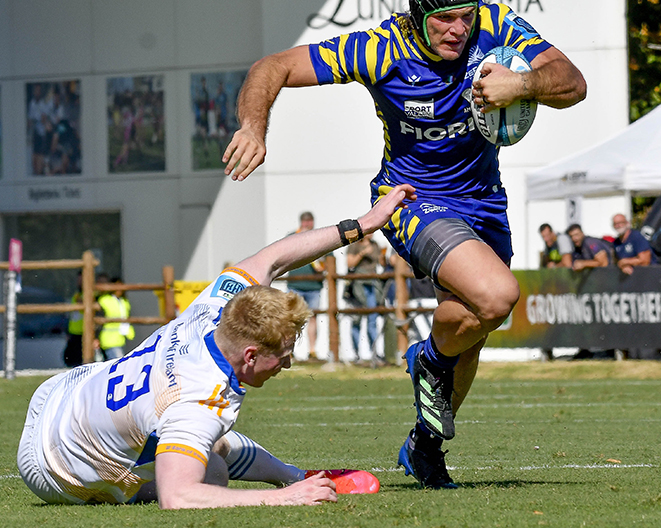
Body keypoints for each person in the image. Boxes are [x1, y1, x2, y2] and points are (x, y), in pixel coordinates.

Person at [224, 0, 586, 489]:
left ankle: (425, 443)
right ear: (417, 13)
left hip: (485, 201)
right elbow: (270, 68)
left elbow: (572, 82)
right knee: (496, 296)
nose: (458, 28)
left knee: (469, 328)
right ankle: (429, 361)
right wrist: (255, 128)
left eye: (466, 15)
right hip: (412, 200)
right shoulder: (380, 48)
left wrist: (521, 84)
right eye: (443, 17)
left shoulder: (496, 24)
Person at [16, 183, 414, 508]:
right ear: (251, 354)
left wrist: (362, 225)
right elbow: (179, 497)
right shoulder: (199, 399)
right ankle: (291, 482)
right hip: (52, 468)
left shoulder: (215, 310)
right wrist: (287, 500)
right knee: (211, 474)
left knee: (204, 444)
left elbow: (273, 258)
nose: (289, 364)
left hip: (60, 391)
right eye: (283, 355)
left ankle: (294, 472)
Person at [285, 211, 324, 361]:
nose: (307, 224)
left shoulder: (320, 237)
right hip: (295, 284)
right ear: (301, 222)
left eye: (310, 221)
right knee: (291, 318)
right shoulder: (292, 237)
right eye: (305, 221)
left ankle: (312, 351)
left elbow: (328, 259)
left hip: (314, 286)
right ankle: (289, 350)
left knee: (313, 318)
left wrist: (324, 267)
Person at [345, 234, 383, 363]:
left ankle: (374, 354)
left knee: (372, 320)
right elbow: (350, 263)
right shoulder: (354, 246)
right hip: (358, 284)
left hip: (372, 284)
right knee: (357, 320)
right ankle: (357, 354)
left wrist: (382, 256)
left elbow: (381, 263)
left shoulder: (375, 245)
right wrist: (362, 253)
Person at [96, 276, 134, 361]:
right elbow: (98, 320)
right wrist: (96, 337)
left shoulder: (124, 301)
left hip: (121, 338)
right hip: (109, 339)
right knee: (118, 364)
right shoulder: (105, 300)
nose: (119, 289)